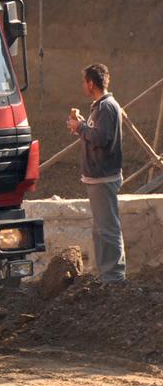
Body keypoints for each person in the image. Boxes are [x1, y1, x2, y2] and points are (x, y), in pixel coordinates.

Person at [67, 63, 126, 283]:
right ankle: (106, 275)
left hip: (103, 177)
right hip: (97, 177)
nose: (83, 85)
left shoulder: (106, 107)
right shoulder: (100, 107)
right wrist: (81, 126)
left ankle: (114, 278)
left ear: (91, 83)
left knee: (108, 229)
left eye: (84, 81)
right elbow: (97, 134)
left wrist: (80, 128)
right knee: (101, 230)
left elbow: (102, 139)